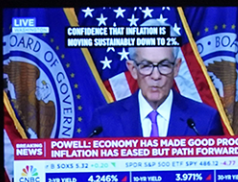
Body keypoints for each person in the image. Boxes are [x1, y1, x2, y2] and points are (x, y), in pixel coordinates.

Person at [89, 41, 223, 138]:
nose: (156, 76)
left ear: (176, 68)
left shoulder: (204, 121)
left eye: (164, 65)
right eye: (146, 66)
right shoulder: (105, 121)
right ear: (133, 69)